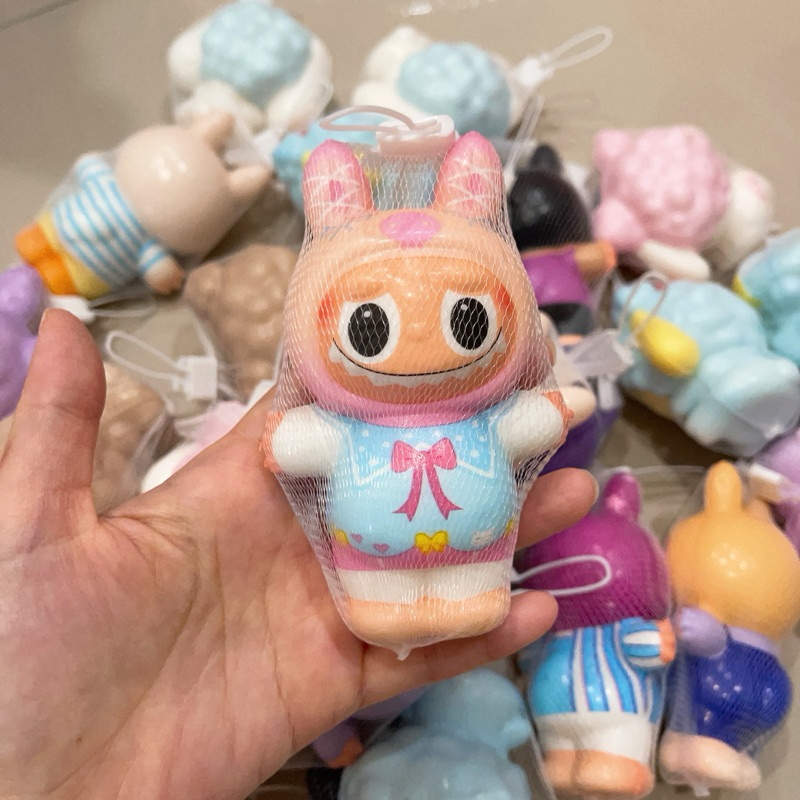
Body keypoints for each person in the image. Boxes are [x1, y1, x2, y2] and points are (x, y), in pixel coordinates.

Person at [0, 310, 597, 800]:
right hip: (368, 565)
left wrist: (545, 413)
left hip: (473, 555)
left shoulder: (480, 417)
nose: (420, 341)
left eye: (464, 318)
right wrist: (291, 437)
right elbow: (299, 442)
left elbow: (528, 423)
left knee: (475, 603)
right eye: (372, 325)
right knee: (379, 620)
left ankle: (471, 594)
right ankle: (391, 606)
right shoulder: (347, 423)